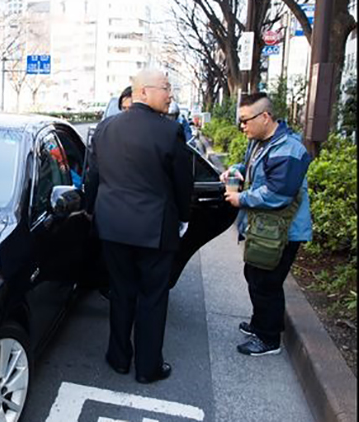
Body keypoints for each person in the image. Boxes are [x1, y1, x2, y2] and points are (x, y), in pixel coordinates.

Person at [85, 68, 193, 383]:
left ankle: (118, 357)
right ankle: (148, 367)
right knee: (153, 297)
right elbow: (183, 183)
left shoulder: (105, 128)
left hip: (112, 226)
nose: (170, 94)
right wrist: (183, 217)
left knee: (120, 292)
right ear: (143, 92)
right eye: (166, 88)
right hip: (154, 229)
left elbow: (93, 176)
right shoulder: (169, 131)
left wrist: (90, 211)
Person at [219, 92, 312, 357]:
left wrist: (241, 198)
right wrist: (236, 170)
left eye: (246, 120)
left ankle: (269, 339)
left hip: (284, 231)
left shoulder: (290, 150)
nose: (242, 126)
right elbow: (251, 168)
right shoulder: (261, 141)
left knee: (267, 282)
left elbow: (278, 193)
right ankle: (261, 324)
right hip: (267, 229)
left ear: (265, 117)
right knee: (256, 275)